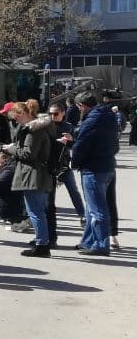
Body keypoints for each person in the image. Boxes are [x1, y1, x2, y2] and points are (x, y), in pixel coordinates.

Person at [3, 100, 54, 257]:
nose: (14, 120)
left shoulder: (33, 131)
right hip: (38, 174)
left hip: (33, 175)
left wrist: (11, 149)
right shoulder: (35, 128)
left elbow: (28, 154)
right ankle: (42, 241)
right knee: (38, 211)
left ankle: (42, 245)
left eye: (15, 117)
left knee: (36, 211)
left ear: (23, 114)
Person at [71, 92, 117, 256]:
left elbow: (81, 145)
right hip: (107, 166)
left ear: (82, 105)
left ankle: (100, 244)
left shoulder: (90, 121)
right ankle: (88, 241)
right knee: (92, 208)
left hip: (93, 168)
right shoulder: (108, 117)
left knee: (97, 209)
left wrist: (74, 162)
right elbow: (115, 144)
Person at [46, 101, 85, 245]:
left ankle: (82, 215)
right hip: (49, 167)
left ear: (63, 113)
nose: (52, 116)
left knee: (73, 191)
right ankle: (50, 236)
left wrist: (71, 140)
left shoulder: (68, 126)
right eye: (50, 113)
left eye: (55, 114)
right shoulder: (46, 126)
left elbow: (76, 145)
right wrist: (57, 142)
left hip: (63, 165)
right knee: (49, 201)